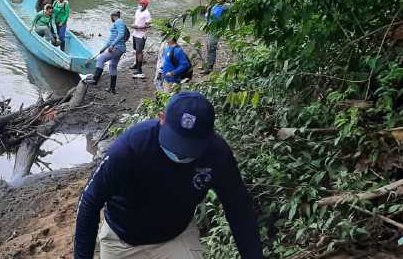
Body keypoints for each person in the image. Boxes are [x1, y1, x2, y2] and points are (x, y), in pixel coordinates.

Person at [74, 91, 263, 259]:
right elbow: (90, 202)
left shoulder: (217, 154)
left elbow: (238, 208)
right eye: (177, 143)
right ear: (162, 118)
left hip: (176, 237)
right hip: (122, 241)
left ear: (209, 136)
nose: (180, 154)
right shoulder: (130, 149)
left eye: (189, 148)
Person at [85, 10, 127, 94]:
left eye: (111, 16)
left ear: (113, 16)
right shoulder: (117, 23)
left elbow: (121, 34)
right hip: (118, 47)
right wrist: (104, 48)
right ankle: (112, 88)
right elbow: (110, 40)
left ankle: (95, 79)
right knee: (112, 65)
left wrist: (112, 45)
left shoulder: (119, 21)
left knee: (101, 58)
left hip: (117, 47)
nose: (110, 18)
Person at [203, 0, 227, 74]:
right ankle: (208, 65)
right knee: (208, 46)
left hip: (215, 30)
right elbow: (207, 17)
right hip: (209, 29)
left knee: (211, 47)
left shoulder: (223, 8)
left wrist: (208, 12)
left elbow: (216, 18)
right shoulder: (214, 6)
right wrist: (207, 10)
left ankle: (209, 67)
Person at [129, 0, 152, 79]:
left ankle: (139, 69)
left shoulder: (147, 14)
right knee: (136, 49)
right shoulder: (138, 10)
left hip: (141, 34)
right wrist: (134, 25)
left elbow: (148, 25)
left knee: (139, 51)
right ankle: (136, 64)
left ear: (145, 5)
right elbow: (136, 20)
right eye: (139, 3)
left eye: (141, 3)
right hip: (135, 33)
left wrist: (139, 27)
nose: (139, 4)